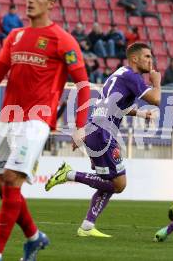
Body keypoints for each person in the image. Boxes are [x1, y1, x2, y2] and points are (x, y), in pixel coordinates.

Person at [0, 0, 90, 261]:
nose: (30, 0)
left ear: (51, 3)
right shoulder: (15, 35)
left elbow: (83, 84)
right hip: (9, 117)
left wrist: (79, 125)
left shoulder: (63, 39)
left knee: (12, 179)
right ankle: (34, 238)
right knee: (1, 187)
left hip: (37, 120)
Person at [45, 42, 161, 238]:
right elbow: (156, 98)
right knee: (119, 184)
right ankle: (69, 174)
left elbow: (115, 105)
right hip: (102, 132)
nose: (151, 60)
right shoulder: (132, 76)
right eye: (147, 56)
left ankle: (87, 226)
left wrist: (140, 114)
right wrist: (157, 81)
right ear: (135, 58)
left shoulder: (120, 74)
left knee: (109, 181)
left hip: (96, 129)